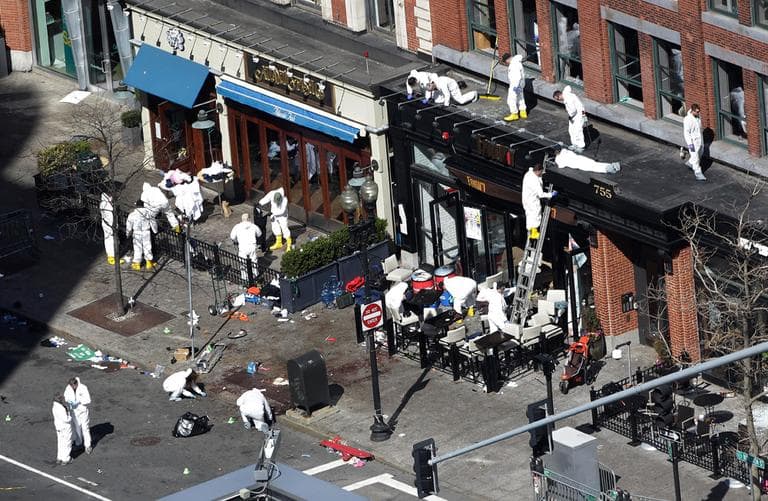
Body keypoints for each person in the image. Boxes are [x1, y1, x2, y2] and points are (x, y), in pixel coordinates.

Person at [522, 164, 556, 240]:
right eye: (541, 172)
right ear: (538, 171)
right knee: (535, 215)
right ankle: (533, 233)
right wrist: (551, 194)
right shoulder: (535, 181)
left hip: (527, 199)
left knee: (529, 215)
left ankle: (531, 232)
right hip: (532, 200)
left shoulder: (528, 174)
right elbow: (541, 194)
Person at [126, 200, 158, 271]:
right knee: (147, 246)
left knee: (137, 247)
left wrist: (128, 233)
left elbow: (129, 225)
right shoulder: (148, 213)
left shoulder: (132, 214)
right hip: (146, 232)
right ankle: (149, 262)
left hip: (137, 233)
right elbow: (153, 222)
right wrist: (155, 230)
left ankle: (137, 263)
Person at [553, 86, 586, 153]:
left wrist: (572, 117)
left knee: (577, 131)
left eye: (558, 99)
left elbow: (573, 111)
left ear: (559, 96)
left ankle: (581, 146)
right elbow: (568, 87)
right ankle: (574, 144)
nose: (559, 100)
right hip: (574, 116)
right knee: (571, 130)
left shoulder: (568, 100)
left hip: (578, 116)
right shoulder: (566, 93)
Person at [64, 377, 92, 454]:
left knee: (85, 428)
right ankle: (78, 443)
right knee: (76, 428)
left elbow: (88, 400)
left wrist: (79, 401)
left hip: (82, 412)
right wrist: (69, 401)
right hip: (74, 412)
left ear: (76, 384)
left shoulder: (83, 388)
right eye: (70, 386)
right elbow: (65, 396)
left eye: (73, 386)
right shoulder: (69, 388)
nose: (72, 387)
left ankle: (88, 445)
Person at [259, 188, 291, 252]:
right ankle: (279, 243)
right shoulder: (272, 193)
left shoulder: (285, 199)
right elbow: (266, 199)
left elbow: (282, 211)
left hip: (282, 216)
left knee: (284, 228)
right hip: (273, 215)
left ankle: (289, 244)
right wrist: (259, 203)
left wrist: (272, 213)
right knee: (275, 228)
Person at [683, 103, 707, 181]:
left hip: (699, 141)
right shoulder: (687, 119)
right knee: (696, 157)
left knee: (700, 153)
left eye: (699, 111)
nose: (698, 113)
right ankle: (698, 173)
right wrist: (690, 145)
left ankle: (690, 163)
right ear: (692, 111)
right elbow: (686, 133)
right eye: (697, 111)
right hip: (692, 142)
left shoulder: (698, 117)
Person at [99, 193, 124, 265]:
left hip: (106, 224)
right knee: (111, 240)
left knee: (108, 239)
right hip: (110, 225)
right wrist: (114, 227)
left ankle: (111, 256)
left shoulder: (103, 204)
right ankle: (113, 257)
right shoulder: (108, 205)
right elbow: (111, 217)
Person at [554, 148, 620, 174]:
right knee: (594, 164)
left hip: (578, 164)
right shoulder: (565, 151)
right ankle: (611, 165)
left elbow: (561, 166)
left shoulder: (558, 159)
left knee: (593, 167)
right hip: (580, 158)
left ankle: (608, 169)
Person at [502, 53, 527, 122]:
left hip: (515, 85)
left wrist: (515, 87)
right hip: (521, 84)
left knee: (511, 100)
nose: (506, 63)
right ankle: (523, 111)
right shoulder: (517, 62)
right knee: (520, 97)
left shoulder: (513, 65)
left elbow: (516, 77)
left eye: (505, 61)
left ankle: (514, 114)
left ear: (508, 59)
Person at [52, 393, 73, 465]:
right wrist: (70, 415)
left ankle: (59, 458)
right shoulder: (61, 408)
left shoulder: (54, 407)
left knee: (60, 442)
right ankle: (66, 459)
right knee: (67, 442)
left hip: (58, 427)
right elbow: (66, 419)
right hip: (65, 427)